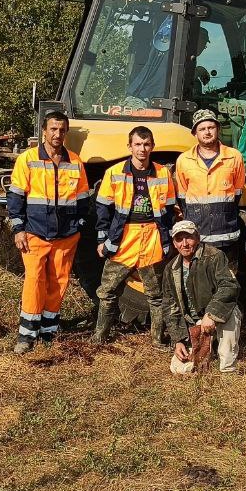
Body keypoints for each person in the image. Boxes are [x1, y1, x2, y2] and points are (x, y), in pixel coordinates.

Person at [6, 110, 91, 354]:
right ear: (44, 131)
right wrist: (18, 228)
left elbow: (83, 198)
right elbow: (16, 196)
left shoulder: (75, 161)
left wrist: (80, 226)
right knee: (35, 280)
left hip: (66, 235)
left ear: (66, 132)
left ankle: (48, 329)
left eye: (61, 130)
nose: (57, 134)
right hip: (34, 232)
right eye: (53, 129)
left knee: (59, 281)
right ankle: (26, 334)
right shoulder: (28, 159)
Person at [92, 126, 178, 345]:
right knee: (107, 290)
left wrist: (166, 240)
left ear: (153, 146)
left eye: (146, 144)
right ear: (129, 146)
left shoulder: (162, 173)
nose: (142, 149)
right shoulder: (114, 172)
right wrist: (103, 239)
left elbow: (169, 210)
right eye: (138, 144)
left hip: (152, 237)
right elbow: (102, 207)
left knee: (156, 295)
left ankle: (157, 340)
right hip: (123, 238)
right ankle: (100, 337)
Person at [162, 220, 242, 375]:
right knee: (178, 368)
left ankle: (228, 370)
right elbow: (169, 305)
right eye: (179, 239)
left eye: (188, 237)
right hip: (195, 324)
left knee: (231, 314)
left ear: (197, 238)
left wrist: (211, 314)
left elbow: (230, 286)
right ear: (174, 243)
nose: (184, 244)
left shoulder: (215, 256)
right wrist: (178, 340)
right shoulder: (171, 268)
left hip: (216, 316)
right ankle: (206, 353)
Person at [174, 108, 246, 257]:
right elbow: (182, 198)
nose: (207, 132)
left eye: (211, 127)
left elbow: (237, 194)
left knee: (227, 279)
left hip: (226, 238)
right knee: (199, 279)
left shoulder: (234, 157)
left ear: (218, 129)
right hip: (197, 238)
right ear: (195, 133)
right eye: (202, 129)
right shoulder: (183, 160)